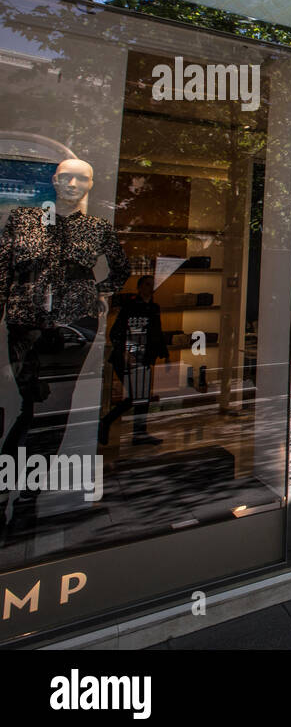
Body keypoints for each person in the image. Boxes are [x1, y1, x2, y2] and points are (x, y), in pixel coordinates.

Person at [0, 158, 129, 541]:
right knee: (31, 403)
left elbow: (121, 269)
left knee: (53, 407)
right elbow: (3, 268)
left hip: (75, 325)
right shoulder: (24, 220)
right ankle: (9, 483)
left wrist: (98, 292)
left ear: (90, 184)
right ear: (55, 181)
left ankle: (27, 497)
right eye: (67, 177)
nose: (73, 184)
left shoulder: (96, 228)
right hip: (26, 320)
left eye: (82, 179)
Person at [99, 275, 166, 446]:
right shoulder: (131, 307)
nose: (150, 288)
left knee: (141, 397)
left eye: (152, 285)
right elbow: (117, 332)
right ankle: (108, 422)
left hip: (143, 357)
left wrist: (164, 354)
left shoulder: (153, 308)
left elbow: (157, 332)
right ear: (139, 287)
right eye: (147, 284)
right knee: (137, 396)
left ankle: (138, 432)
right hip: (130, 357)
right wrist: (125, 352)